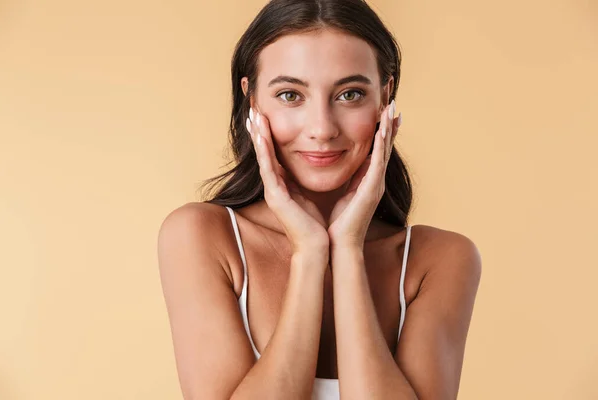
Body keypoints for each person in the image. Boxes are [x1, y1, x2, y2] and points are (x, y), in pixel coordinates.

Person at [157, 0, 482, 399]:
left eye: (349, 94)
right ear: (252, 99)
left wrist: (347, 250)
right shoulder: (202, 237)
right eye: (291, 95)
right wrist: (309, 252)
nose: (322, 129)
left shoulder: (440, 259)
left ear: (386, 94)